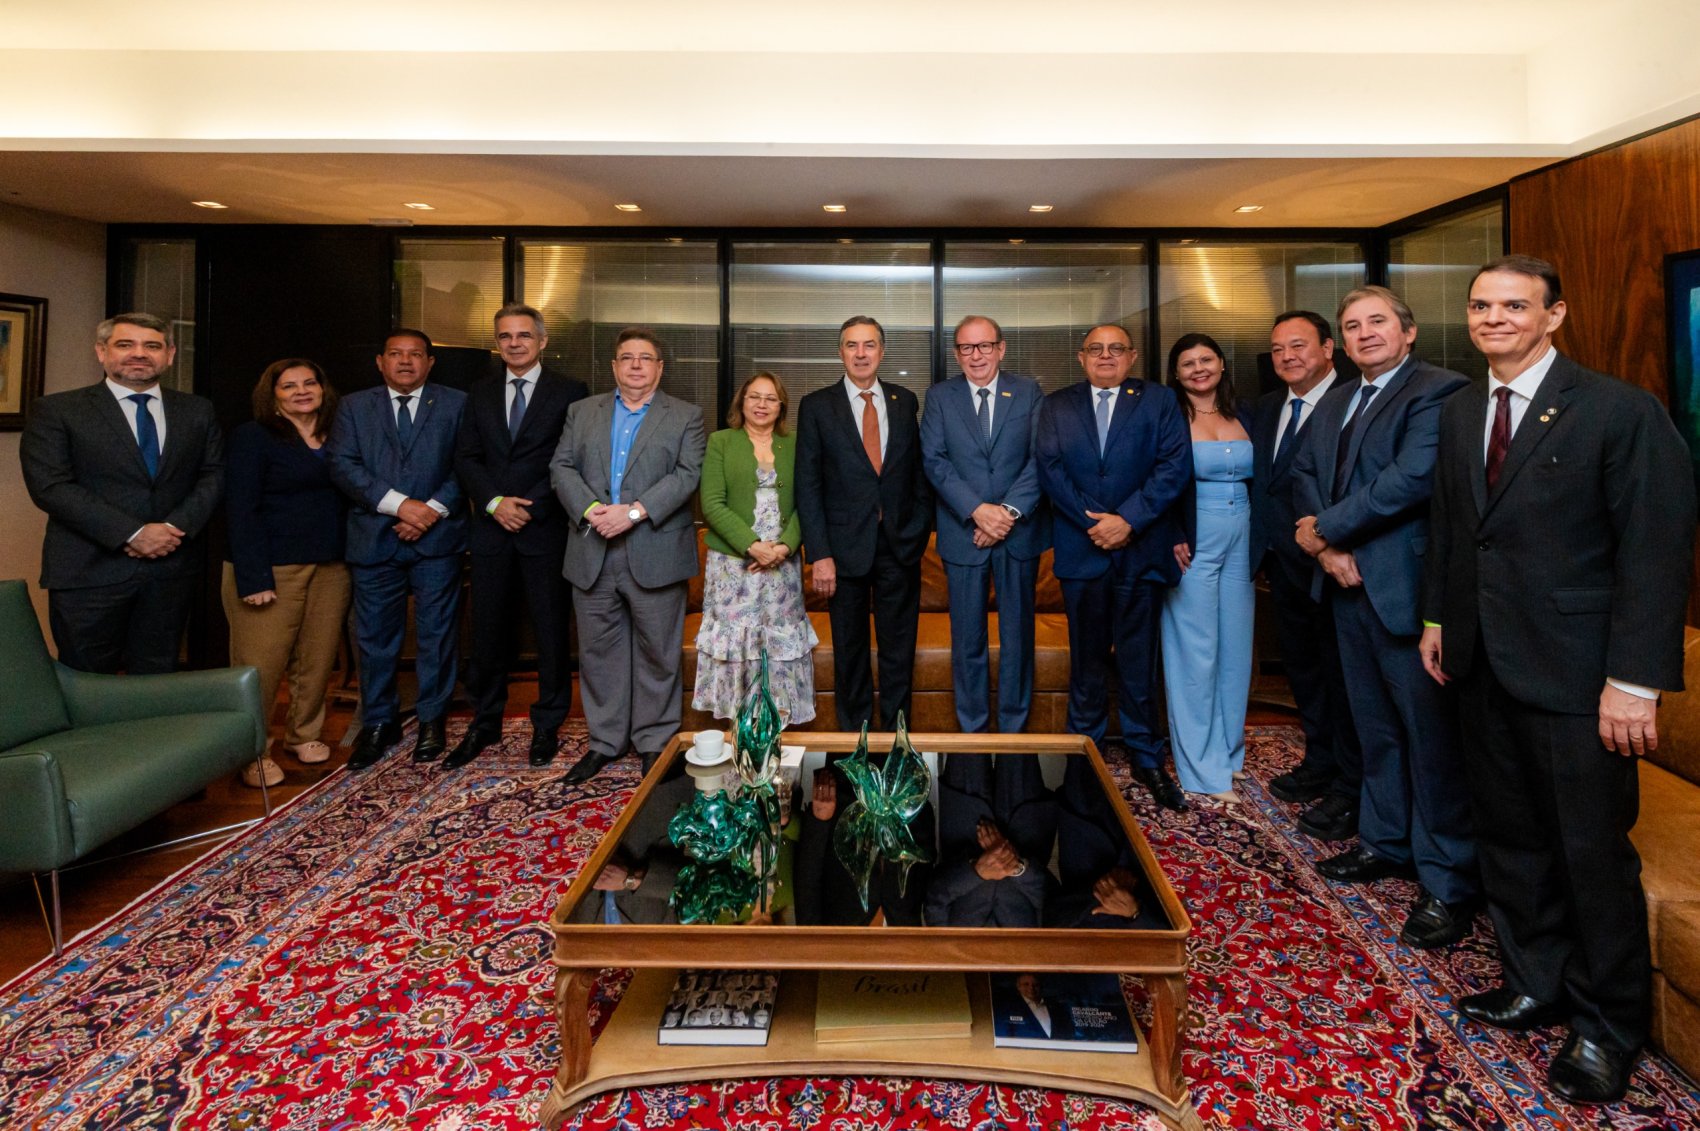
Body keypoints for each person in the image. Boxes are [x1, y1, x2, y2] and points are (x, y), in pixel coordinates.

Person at [1421, 255, 1696, 1104]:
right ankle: (1534, 981)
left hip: (1579, 677)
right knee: (1509, 839)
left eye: (1514, 305)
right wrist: (1438, 621)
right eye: (1481, 305)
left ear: (1555, 315)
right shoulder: (1463, 408)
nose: (1493, 318)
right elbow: (1454, 529)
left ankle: (1607, 1025)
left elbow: (1655, 549)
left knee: (1588, 853)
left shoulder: (1618, 410)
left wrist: (1635, 680)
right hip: (1482, 665)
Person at [1289, 285, 1478, 949]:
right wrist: (1325, 548)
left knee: (1431, 740)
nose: (1365, 333)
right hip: (1346, 587)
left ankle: (1447, 880)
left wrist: (1327, 531)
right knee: (1375, 730)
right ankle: (1386, 841)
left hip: (1407, 589)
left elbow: (1410, 479)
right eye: (1352, 325)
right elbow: (1305, 472)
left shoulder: (1440, 391)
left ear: (1409, 330)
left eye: (1377, 321)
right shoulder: (1339, 397)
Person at [1035, 323, 1191, 812]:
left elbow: (1173, 466)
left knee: (1139, 662)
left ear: (1132, 356)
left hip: (1141, 549)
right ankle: (1085, 753)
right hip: (1083, 551)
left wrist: (1128, 521)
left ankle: (1147, 757)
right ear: (1081, 358)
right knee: (1086, 662)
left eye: (1116, 349)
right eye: (1096, 349)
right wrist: (1096, 524)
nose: (1106, 356)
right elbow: (1050, 470)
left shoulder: (1159, 401)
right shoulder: (1057, 405)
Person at [20, 313, 223, 674]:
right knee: (87, 681)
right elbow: (51, 486)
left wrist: (172, 528)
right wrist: (132, 533)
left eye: (152, 346)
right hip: (88, 572)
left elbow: (213, 474)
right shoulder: (57, 410)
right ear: (102, 352)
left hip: (170, 570)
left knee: (157, 678)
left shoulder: (197, 410)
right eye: (125, 344)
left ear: (170, 355)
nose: (139, 354)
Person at [550, 326, 706, 784]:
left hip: (654, 550)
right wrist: (592, 510)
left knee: (658, 652)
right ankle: (605, 741)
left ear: (660, 367)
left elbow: (687, 475)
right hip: (592, 548)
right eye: (627, 357)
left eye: (645, 358)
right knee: (599, 652)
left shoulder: (686, 416)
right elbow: (561, 466)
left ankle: (655, 742)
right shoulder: (582, 412)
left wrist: (633, 513)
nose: (636, 365)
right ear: (615, 366)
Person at [450, 303, 588, 769]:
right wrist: (494, 503)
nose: (514, 343)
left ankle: (547, 723)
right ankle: (485, 721)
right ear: (497, 343)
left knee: (551, 631)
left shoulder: (570, 391)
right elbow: (467, 457)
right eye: (505, 336)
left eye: (524, 335)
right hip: (492, 530)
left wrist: (530, 505)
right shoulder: (480, 392)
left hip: (544, 527)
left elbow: (571, 459)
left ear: (542, 341)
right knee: (487, 631)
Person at [326, 329, 468, 770]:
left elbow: (466, 465)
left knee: (437, 635)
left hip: (438, 540)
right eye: (396, 354)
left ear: (430, 362)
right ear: (380, 361)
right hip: (374, 538)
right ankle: (379, 722)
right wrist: (400, 506)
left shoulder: (456, 403)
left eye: (415, 355)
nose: (405, 362)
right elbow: (342, 464)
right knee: (374, 639)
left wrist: (430, 512)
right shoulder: (353, 406)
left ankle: (431, 720)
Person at [794, 315, 933, 731]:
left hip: (899, 547)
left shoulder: (904, 401)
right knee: (850, 653)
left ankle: (896, 740)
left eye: (869, 345)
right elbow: (808, 485)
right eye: (852, 345)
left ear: (882, 352)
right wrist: (819, 554)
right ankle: (855, 741)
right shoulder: (817, 406)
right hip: (842, 552)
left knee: (898, 652)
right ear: (840, 352)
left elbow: (917, 473)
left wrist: (917, 531)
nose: (860, 353)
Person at [1253, 311, 1362, 838]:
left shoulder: (1352, 401)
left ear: (1327, 348)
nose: (1287, 357)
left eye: (1298, 346)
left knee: (1345, 678)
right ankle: (1320, 760)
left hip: (1334, 562)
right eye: (1278, 349)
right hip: (1283, 565)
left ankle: (1351, 783)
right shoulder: (1267, 407)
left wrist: (1328, 540)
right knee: (1306, 673)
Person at [221, 358, 351, 788]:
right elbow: (240, 508)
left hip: (331, 563)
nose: (301, 391)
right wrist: (253, 576)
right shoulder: (253, 437)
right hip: (271, 566)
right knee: (261, 664)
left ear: (323, 389)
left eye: (309, 383)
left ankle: (304, 735)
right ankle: (253, 751)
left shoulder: (339, 433)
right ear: (272, 396)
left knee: (317, 658)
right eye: (289, 386)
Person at [919, 315, 1050, 734]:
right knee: (967, 641)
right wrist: (978, 510)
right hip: (964, 534)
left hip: (1018, 534)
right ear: (956, 353)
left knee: (1017, 638)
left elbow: (1041, 457)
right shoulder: (940, 396)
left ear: (1001, 348)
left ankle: (1014, 730)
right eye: (966, 347)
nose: (976, 355)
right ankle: (972, 729)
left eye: (984, 346)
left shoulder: (1028, 392)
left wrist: (1006, 513)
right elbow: (934, 461)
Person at [1160, 333, 1254, 804]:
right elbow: (1158, 480)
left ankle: (1229, 753)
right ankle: (1200, 768)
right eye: (1188, 363)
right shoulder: (1170, 416)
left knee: (1236, 650)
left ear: (1221, 363)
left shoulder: (1246, 412)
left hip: (1244, 536)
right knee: (1196, 653)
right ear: (1176, 374)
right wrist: (1172, 532)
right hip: (1194, 538)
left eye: (1206, 359)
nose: (1198, 369)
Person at [694, 371, 817, 724]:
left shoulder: (797, 444)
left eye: (770, 398)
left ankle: (779, 732)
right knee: (738, 648)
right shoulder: (721, 441)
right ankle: (741, 733)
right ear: (742, 402)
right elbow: (712, 503)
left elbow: (809, 499)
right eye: (754, 397)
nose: (762, 405)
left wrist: (784, 547)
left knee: (779, 648)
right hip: (733, 567)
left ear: (781, 406)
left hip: (782, 564)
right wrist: (752, 546)